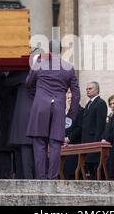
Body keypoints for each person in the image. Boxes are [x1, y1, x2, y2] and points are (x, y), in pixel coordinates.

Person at [26, 40, 80, 180]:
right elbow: (76, 94)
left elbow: (28, 83)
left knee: (39, 143)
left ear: (49, 49)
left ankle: (41, 178)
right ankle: (53, 179)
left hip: (40, 106)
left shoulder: (39, 64)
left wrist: (37, 98)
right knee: (55, 144)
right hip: (58, 107)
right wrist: (71, 115)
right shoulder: (69, 67)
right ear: (61, 50)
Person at [81, 82, 108, 179]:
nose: (87, 90)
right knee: (88, 167)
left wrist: (96, 143)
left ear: (97, 90)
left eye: (90, 89)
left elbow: (100, 125)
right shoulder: (89, 103)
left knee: (95, 167)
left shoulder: (100, 103)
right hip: (86, 140)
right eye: (87, 89)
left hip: (94, 140)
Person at [63, 91, 84, 179]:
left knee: (73, 170)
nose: (69, 100)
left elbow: (80, 128)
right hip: (65, 145)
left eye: (71, 98)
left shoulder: (81, 111)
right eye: (68, 98)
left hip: (75, 144)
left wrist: (69, 138)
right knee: (65, 169)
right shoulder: (67, 112)